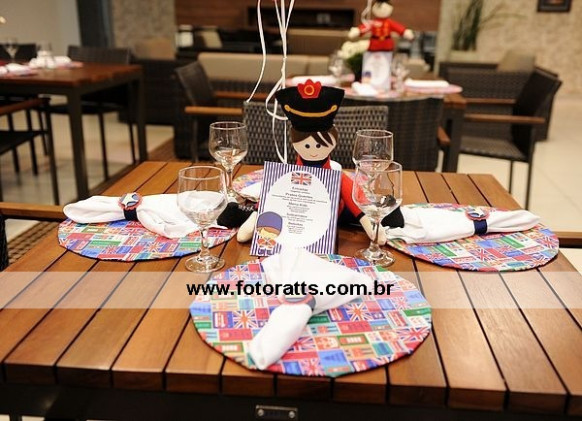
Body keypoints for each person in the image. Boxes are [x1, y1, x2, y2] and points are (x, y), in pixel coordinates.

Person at [348, 0, 414, 52]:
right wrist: (357, 31)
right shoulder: (373, 22)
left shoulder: (389, 22)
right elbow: (365, 27)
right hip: (374, 46)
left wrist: (405, 32)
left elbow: (398, 28)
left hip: (387, 46)